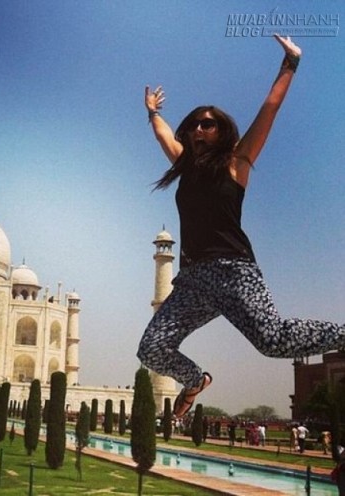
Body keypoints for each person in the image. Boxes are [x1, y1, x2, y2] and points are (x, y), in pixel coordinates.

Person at [137, 34, 345, 418]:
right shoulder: (184, 165)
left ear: (222, 130)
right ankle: (195, 380)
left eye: (208, 124)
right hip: (192, 281)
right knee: (151, 349)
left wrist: (290, 63)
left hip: (234, 273)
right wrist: (152, 113)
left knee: (273, 341)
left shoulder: (238, 161)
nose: (199, 130)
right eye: (194, 125)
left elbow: (270, 108)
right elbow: (164, 135)